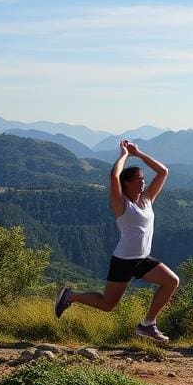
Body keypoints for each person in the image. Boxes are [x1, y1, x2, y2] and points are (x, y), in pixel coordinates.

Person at [54, 140, 177, 342]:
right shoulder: (121, 204)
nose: (143, 182)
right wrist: (124, 155)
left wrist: (138, 153)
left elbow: (163, 172)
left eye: (143, 179)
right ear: (127, 183)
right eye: (138, 179)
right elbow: (114, 175)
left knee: (172, 281)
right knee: (107, 305)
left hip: (143, 258)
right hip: (123, 260)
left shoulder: (147, 200)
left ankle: (147, 325)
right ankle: (70, 295)